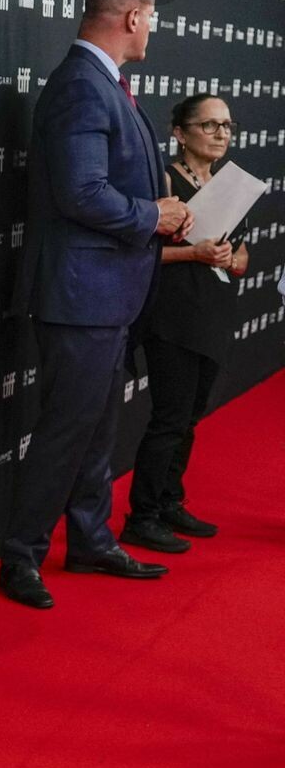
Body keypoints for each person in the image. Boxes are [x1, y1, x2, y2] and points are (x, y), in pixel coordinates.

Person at [0, 0, 195, 610]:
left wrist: (158, 213)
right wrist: (153, 215)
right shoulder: (82, 85)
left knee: (96, 429)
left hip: (109, 296)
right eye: (152, 18)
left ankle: (89, 539)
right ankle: (21, 556)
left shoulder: (106, 85)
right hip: (80, 296)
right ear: (133, 17)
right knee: (66, 431)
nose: (152, 29)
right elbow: (80, 193)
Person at [122, 94, 251, 552]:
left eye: (227, 126)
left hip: (210, 313)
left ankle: (169, 501)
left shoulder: (230, 185)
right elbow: (138, 252)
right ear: (180, 133)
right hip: (170, 317)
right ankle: (142, 516)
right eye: (209, 125)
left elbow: (242, 257)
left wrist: (229, 257)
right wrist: (195, 253)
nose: (221, 134)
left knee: (190, 418)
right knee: (170, 418)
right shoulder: (163, 181)